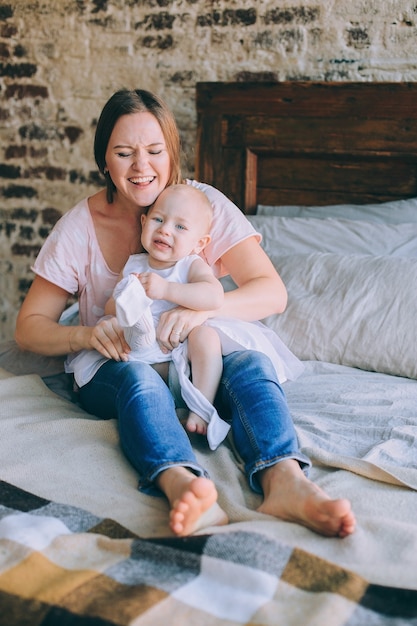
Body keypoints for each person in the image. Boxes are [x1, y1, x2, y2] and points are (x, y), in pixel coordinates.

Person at [15, 88, 356, 538]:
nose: (141, 167)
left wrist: (199, 314)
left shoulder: (199, 208)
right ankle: (182, 484)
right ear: (104, 160)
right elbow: (28, 328)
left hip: (190, 356)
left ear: (172, 153)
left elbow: (271, 292)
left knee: (250, 364)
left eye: (155, 151)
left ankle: (284, 480)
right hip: (125, 362)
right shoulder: (79, 228)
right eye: (124, 153)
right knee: (138, 381)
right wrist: (82, 336)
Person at [71, 183, 303, 450]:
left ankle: (202, 407)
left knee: (206, 336)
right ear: (144, 222)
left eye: (180, 227)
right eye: (158, 219)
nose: (166, 230)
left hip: (184, 347)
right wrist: (126, 297)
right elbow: (112, 305)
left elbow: (212, 296)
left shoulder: (191, 264)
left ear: (200, 243)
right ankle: (145, 351)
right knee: (124, 334)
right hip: (148, 351)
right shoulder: (135, 264)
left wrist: (167, 289)